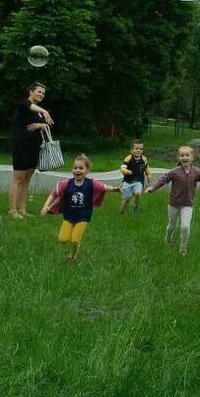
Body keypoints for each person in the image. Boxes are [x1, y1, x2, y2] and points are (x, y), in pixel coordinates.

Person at [145, 145, 200, 256]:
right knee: (172, 225)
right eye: (182, 155)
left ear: (192, 158)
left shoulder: (197, 172)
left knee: (185, 226)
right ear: (179, 158)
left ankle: (183, 246)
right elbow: (162, 180)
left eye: (187, 155)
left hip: (188, 204)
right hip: (174, 204)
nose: (184, 157)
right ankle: (168, 238)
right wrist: (152, 188)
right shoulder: (174, 172)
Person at [40, 154, 121, 263]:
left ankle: (72, 257)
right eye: (75, 168)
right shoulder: (66, 184)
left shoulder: (91, 183)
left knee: (74, 240)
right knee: (63, 239)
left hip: (83, 217)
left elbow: (104, 187)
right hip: (68, 216)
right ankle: (74, 243)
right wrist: (46, 206)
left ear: (87, 170)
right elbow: (54, 194)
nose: (77, 170)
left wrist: (114, 189)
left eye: (81, 168)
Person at [9, 82, 54, 220]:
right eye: (39, 92)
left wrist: (41, 124)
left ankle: (22, 209)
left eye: (43, 93)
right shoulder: (24, 104)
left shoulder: (39, 112)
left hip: (35, 147)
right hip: (22, 146)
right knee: (18, 178)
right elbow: (30, 107)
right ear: (31, 92)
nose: (41, 95)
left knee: (27, 179)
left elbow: (50, 124)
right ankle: (12, 211)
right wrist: (44, 111)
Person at [118, 139, 152, 214]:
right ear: (131, 150)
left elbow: (147, 168)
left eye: (140, 149)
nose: (138, 150)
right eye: (136, 149)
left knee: (137, 193)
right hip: (127, 181)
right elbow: (122, 167)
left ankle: (136, 207)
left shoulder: (144, 159)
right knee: (127, 198)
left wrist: (149, 175)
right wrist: (126, 171)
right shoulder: (128, 158)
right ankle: (122, 211)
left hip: (139, 181)